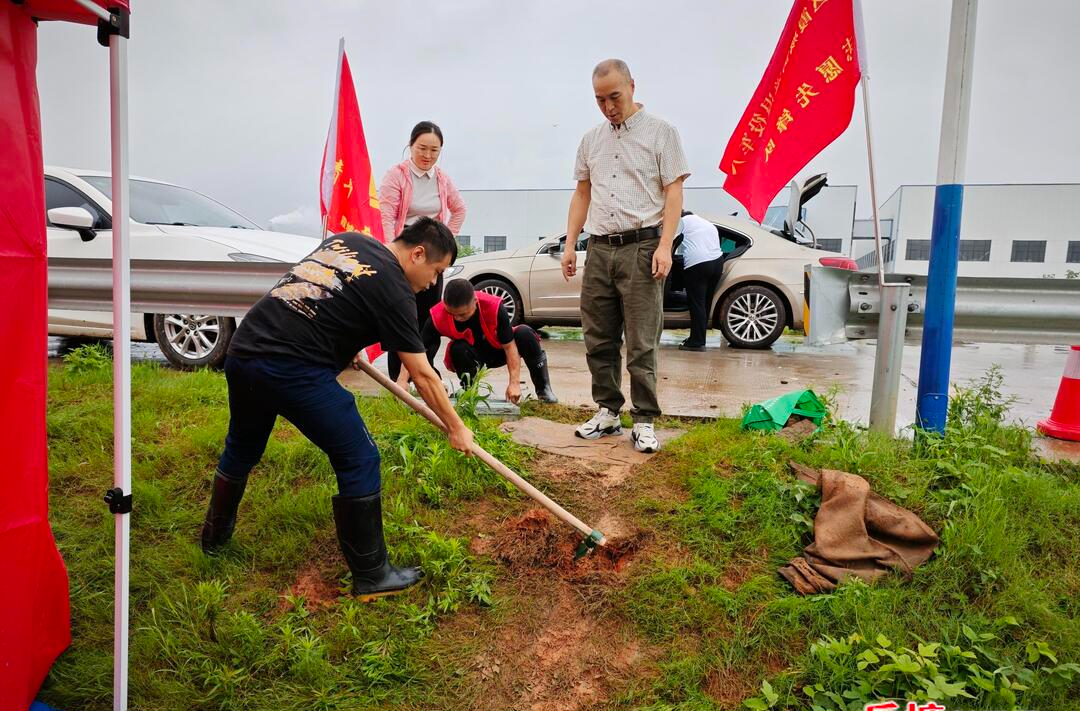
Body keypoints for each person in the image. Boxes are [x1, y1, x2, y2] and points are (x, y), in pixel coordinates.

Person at [200, 217, 473, 600]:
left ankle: (213, 540)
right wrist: (456, 427)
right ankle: (372, 575)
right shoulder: (395, 288)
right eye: (435, 272)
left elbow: (321, 295)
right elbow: (424, 375)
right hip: (292, 370)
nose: (432, 283)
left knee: (242, 448)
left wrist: (346, 344)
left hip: (245, 352)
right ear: (418, 253)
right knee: (359, 457)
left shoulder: (349, 241)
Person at [561, 58, 689, 453]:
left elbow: (673, 192)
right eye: (600, 100)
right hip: (599, 248)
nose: (608, 106)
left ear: (632, 86)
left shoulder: (662, 133)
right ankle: (608, 410)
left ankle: (645, 419)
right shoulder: (591, 140)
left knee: (641, 339)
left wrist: (665, 244)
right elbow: (582, 192)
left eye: (614, 96)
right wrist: (570, 243)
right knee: (597, 335)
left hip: (643, 247)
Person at [378, 121, 467, 388]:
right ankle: (398, 379)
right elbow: (387, 214)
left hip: (431, 258)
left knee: (428, 319)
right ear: (411, 145)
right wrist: (391, 252)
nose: (427, 156)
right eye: (422, 148)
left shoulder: (442, 179)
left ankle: (423, 375)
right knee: (401, 316)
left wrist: (445, 241)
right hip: (405, 255)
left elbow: (459, 209)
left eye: (434, 150)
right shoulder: (396, 175)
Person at [423, 279, 557, 403]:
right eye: (452, 314)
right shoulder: (437, 315)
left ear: (475, 301)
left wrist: (514, 384)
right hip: (469, 356)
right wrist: (404, 381)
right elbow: (419, 351)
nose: (457, 318)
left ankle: (543, 390)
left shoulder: (494, 307)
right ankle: (469, 391)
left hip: (497, 352)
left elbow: (510, 347)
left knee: (525, 333)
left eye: (463, 314)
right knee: (457, 348)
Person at [677, 210, 726, 351]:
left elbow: (671, 240)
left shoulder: (682, 223)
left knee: (696, 303)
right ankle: (699, 338)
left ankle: (696, 342)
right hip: (717, 262)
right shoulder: (706, 223)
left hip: (697, 263)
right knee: (705, 302)